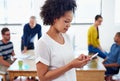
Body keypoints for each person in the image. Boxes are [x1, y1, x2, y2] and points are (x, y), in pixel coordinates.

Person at [35, 0, 90, 81]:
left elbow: (65, 62)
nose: (69, 25)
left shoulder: (67, 37)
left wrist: (78, 60)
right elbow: (42, 77)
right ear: (55, 18)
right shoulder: (43, 43)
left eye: (70, 22)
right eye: (66, 21)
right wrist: (71, 65)